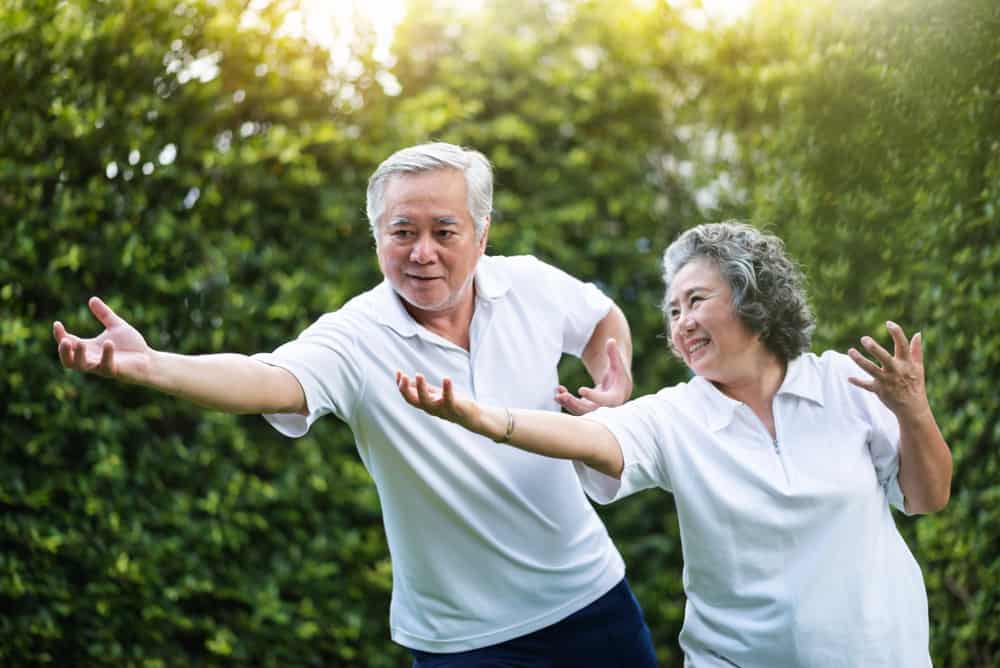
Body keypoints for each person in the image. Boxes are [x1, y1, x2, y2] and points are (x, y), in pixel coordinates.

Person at [53, 143, 660, 666]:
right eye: (402, 233)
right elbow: (268, 378)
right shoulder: (356, 335)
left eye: (444, 232)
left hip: (592, 600)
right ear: (377, 237)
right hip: (464, 642)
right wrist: (154, 365)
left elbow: (600, 318)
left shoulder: (528, 283)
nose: (422, 252)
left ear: (482, 232)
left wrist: (616, 373)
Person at [398, 221, 952, 667]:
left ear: (752, 300)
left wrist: (913, 411)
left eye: (696, 301)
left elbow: (928, 496)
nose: (681, 322)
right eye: (673, 310)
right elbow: (592, 437)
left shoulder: (843, 384)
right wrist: (487, 419)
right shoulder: (676, 416)